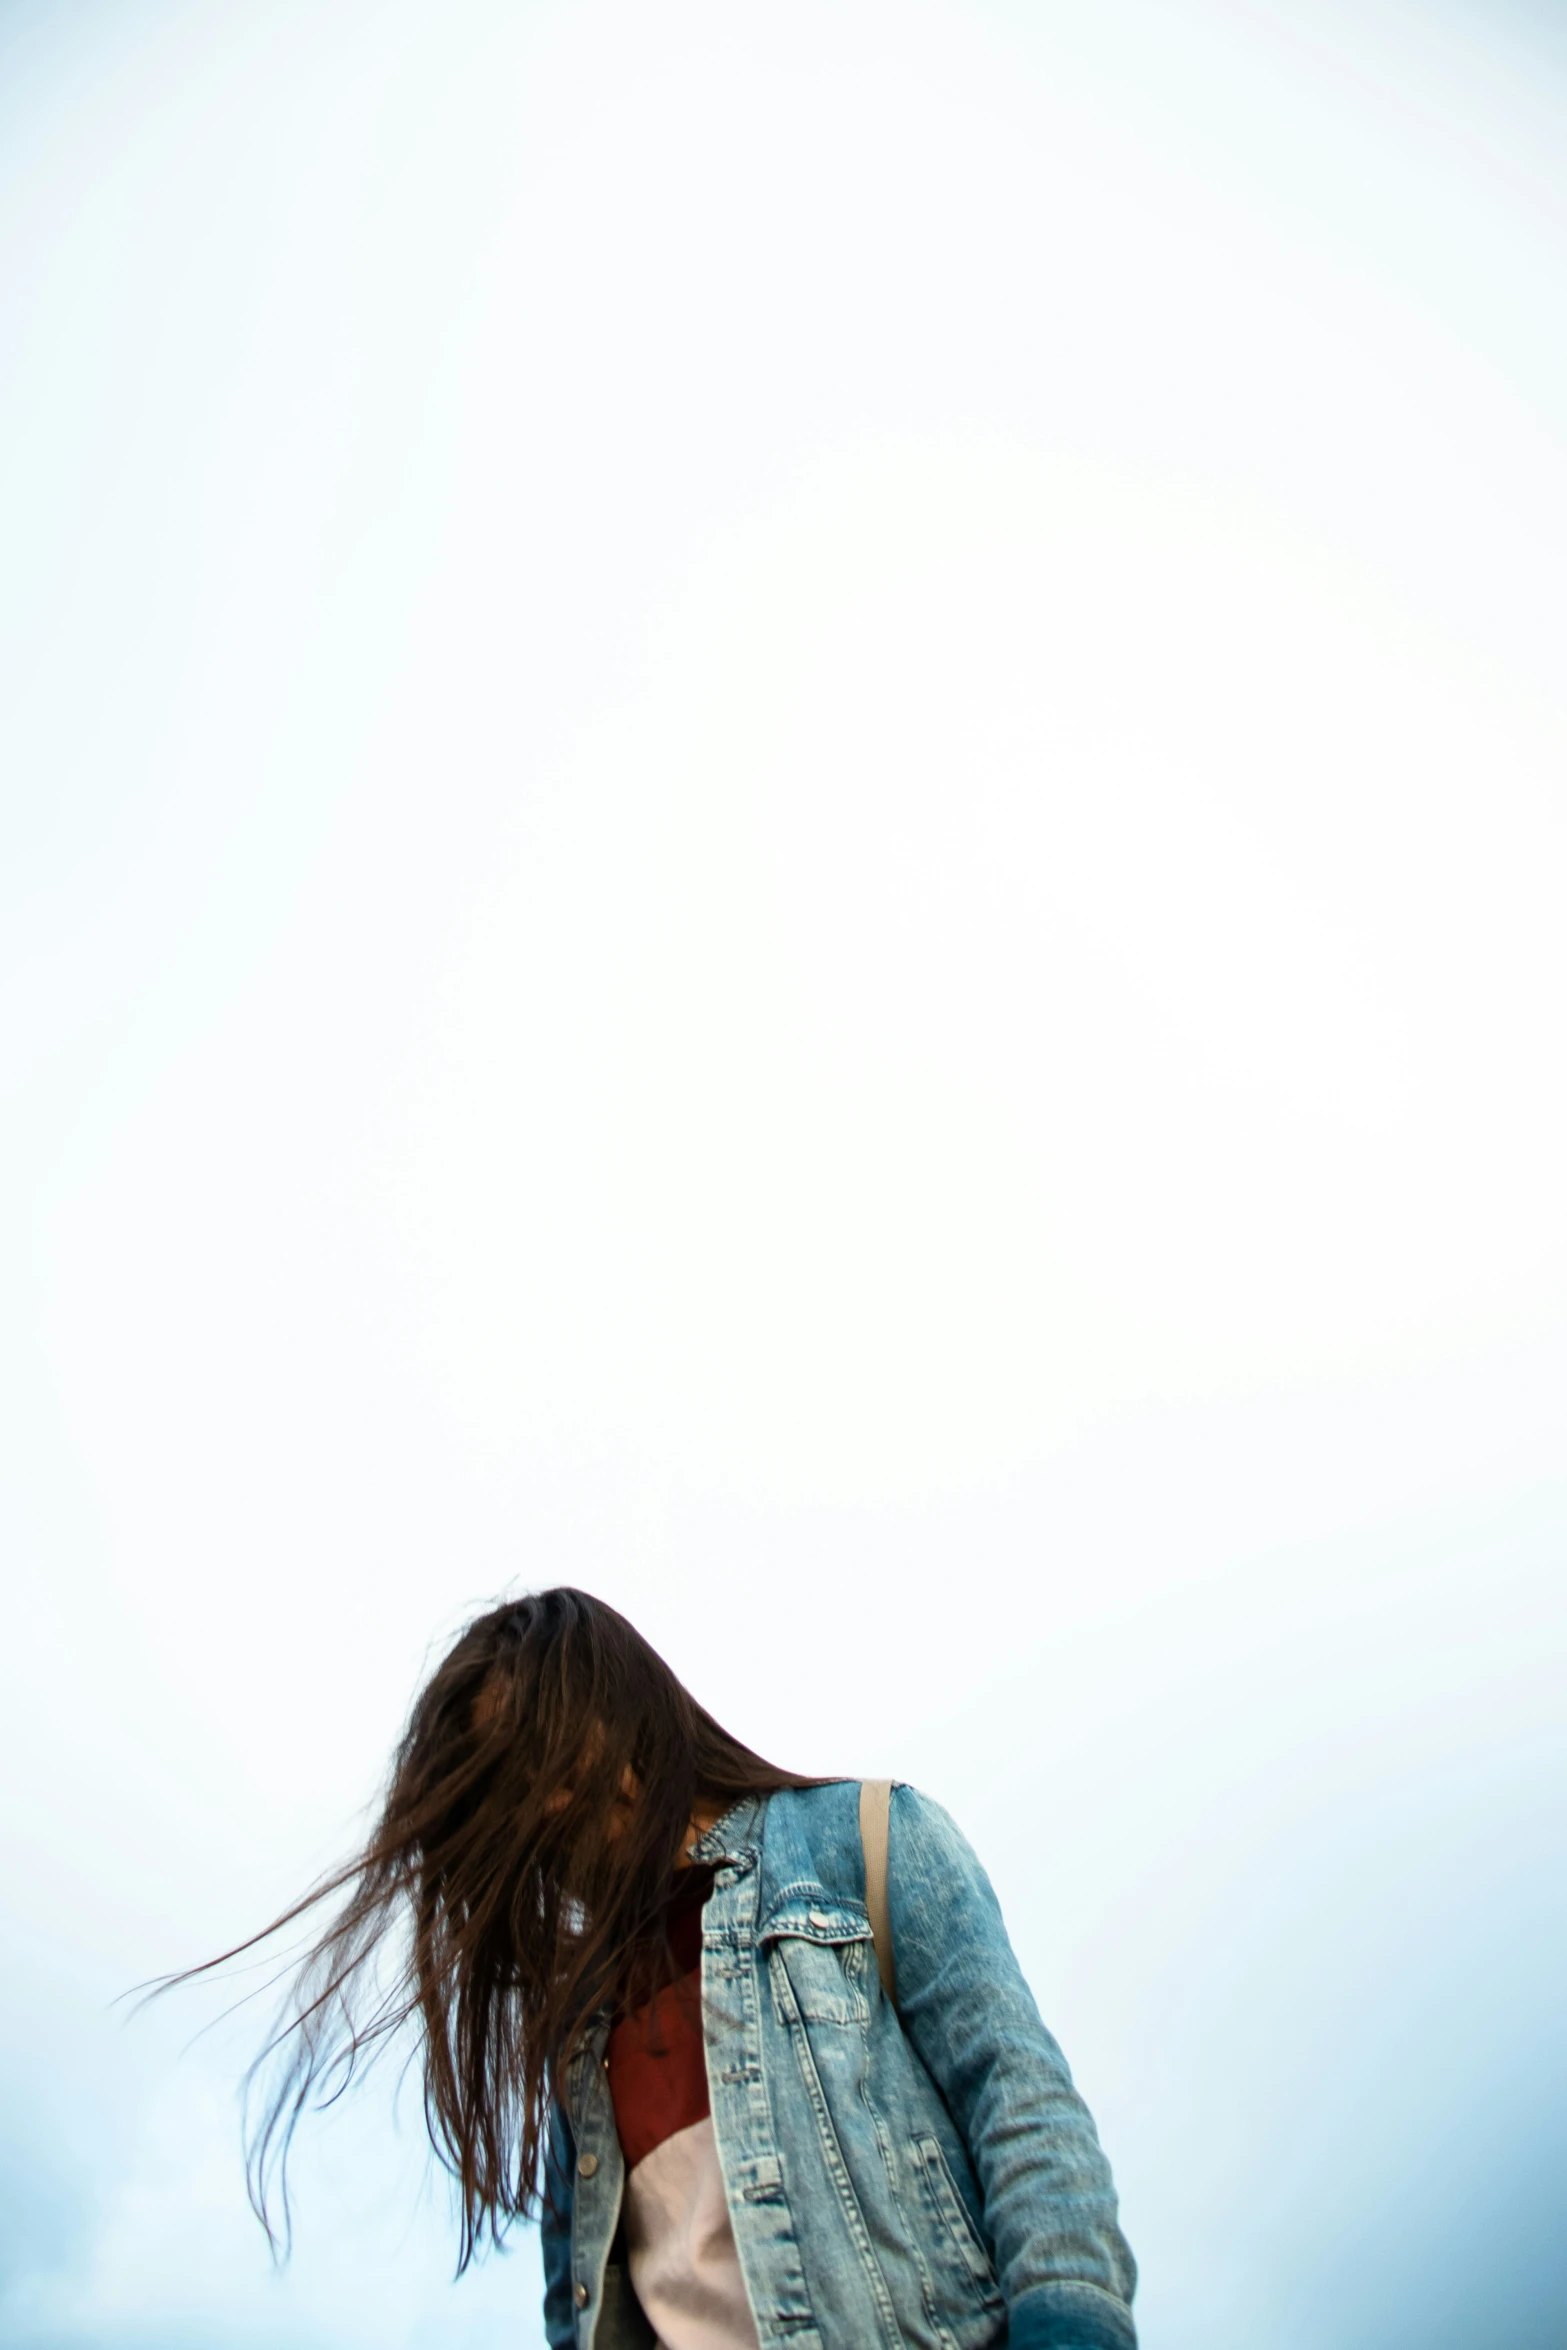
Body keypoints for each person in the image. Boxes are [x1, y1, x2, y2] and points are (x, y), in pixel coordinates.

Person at [191, 1586, 1137, 2349]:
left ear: (618, 1714)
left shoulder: (871, 1842)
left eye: (541, 1761)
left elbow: (1022, 2107)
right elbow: (583, 2306)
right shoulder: (580, 2026)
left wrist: (1072, 2328)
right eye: (506, 1791)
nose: (542, 1809)